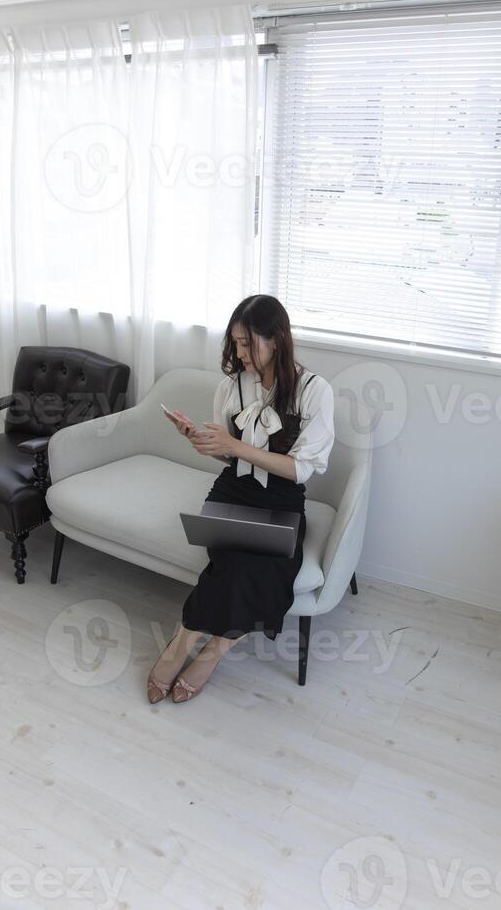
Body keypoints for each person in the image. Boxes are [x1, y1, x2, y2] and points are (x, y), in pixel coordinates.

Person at [147, 294, 335, 704]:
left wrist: (235, 444)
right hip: (232, 491)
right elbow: (227, 455)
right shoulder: (230, 386)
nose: (239, 352)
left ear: (278, 339)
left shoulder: (315, 393)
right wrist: (203, 440)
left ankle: (200, 648)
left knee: (255, 566)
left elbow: (300, 469)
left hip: (282, 499)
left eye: (248, 343)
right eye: (235, 342)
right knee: (236, 558)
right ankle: (195, 648)